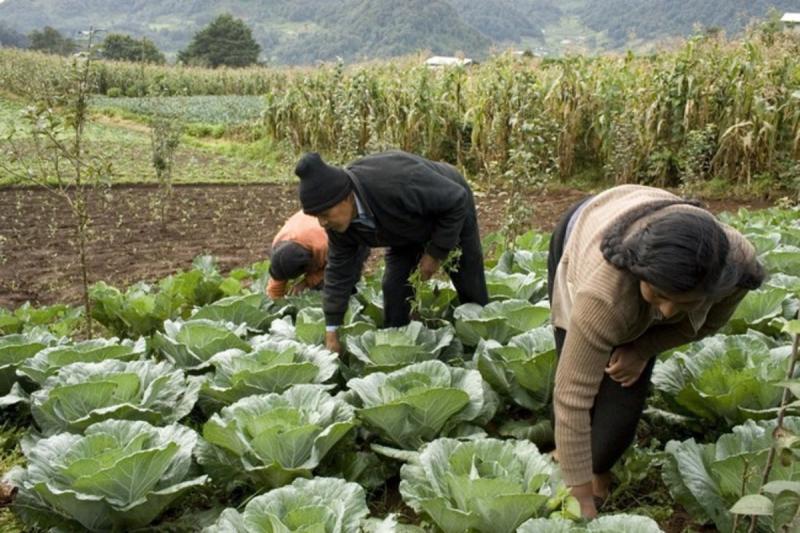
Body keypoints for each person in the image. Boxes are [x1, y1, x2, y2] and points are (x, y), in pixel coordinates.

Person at [546, 184, 764, 519]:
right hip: (584, 229)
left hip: (660, 229)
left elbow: (705, 325)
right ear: (639, 274)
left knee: (616, 420)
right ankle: (569, 461)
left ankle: (598, 467)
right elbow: (572, 393)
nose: (666, 312)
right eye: (658, 296)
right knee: (580, 378)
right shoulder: (602, 295)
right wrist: (580, 497)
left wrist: (644, 347)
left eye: (686, 303)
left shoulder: (736, 270)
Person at [294, 150, 489, 354]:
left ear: (347, 198)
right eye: (317, 216)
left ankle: (482, 347)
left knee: (468, 280)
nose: (322, 223)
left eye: (325, 214)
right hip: (404, 227)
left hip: (447, 205)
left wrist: (435, 253)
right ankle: (400, 349)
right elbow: (339, 273)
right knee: (395, 288)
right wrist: (332, 330)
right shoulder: (339, 227)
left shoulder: (395, 183)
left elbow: (456, 199)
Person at [266, 210, 328, 299]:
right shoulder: (278, 245)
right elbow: (278, 276)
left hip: (343, 231)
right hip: (305, 226)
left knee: (326, 285)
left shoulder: (323, 245)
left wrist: (306, 283)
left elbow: (336, 266)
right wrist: (275, 298)